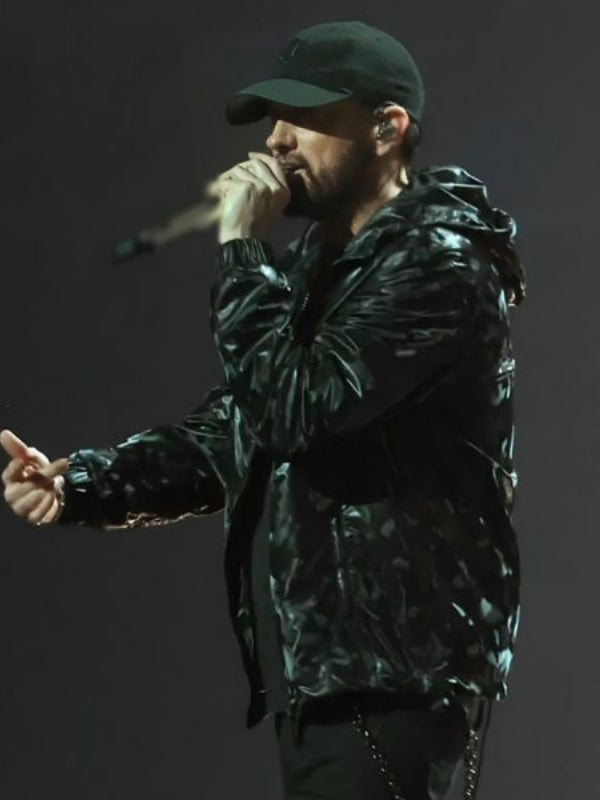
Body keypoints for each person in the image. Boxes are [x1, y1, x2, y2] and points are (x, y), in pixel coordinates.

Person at [1, 20, 526, 800]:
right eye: (274, 119)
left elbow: (295, 410)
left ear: (387, 128)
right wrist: (83, 483)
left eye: (306, 117)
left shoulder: (437, 263)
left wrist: (242, 250)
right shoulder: (322, 270)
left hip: (395, 673)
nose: (276, 141)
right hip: (332, 673)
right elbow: (238, 428)